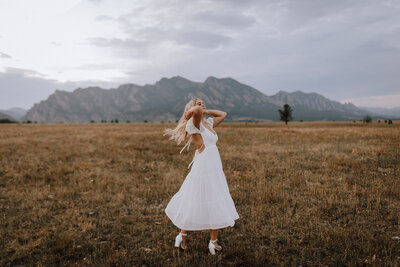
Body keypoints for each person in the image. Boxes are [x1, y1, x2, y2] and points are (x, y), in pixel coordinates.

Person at [162, 98, 239, 255]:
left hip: (213, 165)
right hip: (204, 165)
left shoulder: (207, 123)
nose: (202, 105)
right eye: (199, 103)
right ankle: (212, 242)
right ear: (192, 109)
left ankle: (183, 236)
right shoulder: (194, 123)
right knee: (208, 198)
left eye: (203, 102)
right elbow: (196, 112)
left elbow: (223, 114)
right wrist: (194, 110)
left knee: (206, 198)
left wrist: (206, 111)